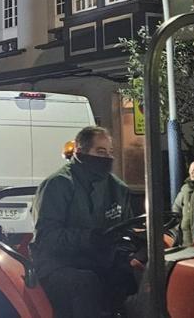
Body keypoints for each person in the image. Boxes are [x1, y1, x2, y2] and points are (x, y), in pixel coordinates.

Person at [31, 126, 138, 318]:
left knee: (139, 277)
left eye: (110, 152)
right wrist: (90, 238)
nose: (107, 157)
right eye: (101, 151)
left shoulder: (117, 188)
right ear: (80, 151)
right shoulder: (59, 184)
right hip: (59, 263)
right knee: (86, 284)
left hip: (100, 260)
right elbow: (47, 237)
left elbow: (127, 227)